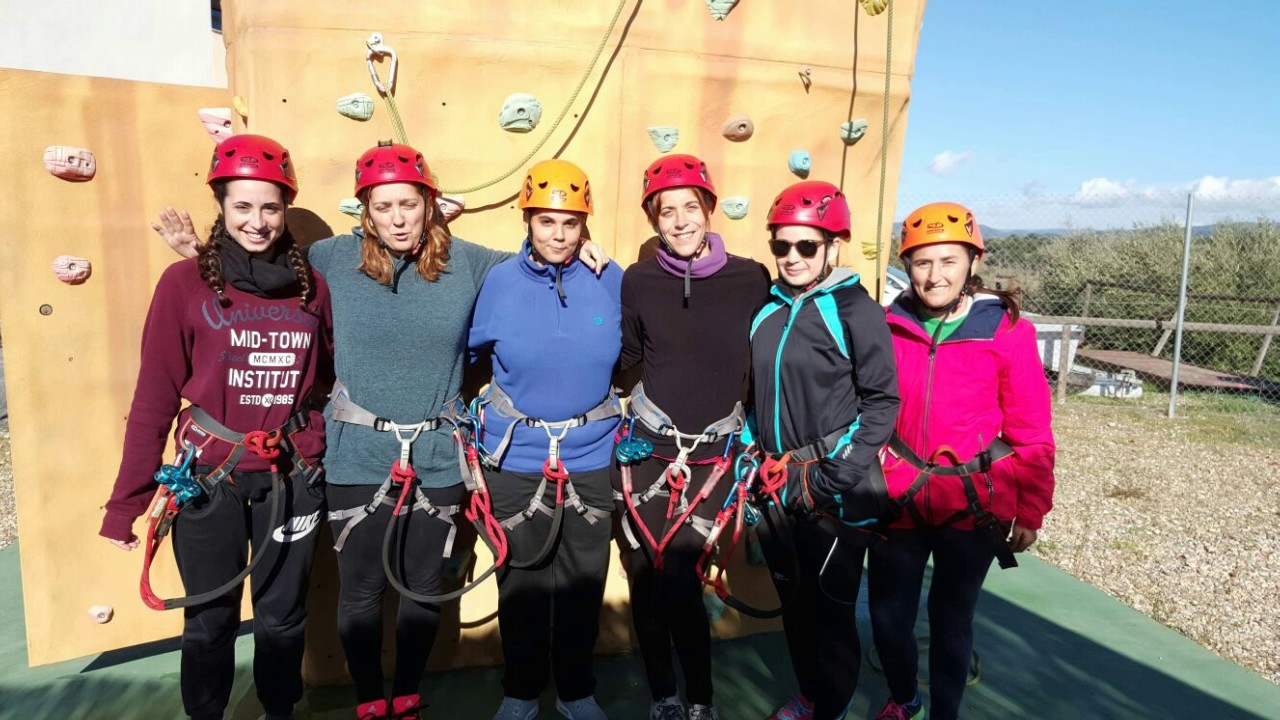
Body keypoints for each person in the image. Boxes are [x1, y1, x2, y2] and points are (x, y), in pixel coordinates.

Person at [156, 141, 611, 720]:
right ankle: (371, 699)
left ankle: (409, 696)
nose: (398, 219)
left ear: (429, 204)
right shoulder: (327, 260)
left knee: (423, 588)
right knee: (361, 590)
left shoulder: (469, 263)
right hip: (356, 453)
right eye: (384, 206)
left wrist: (582, 248)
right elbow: (259, 272)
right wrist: (200, 255)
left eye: (409, 205)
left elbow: (536, 262)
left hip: (438, 455)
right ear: (365, 210)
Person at [101, 133, 332, 720]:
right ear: (221, 206)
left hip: (289, 476)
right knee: (209, 619)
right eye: (243, 206)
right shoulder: (183, 285)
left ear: (286, 208)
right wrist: (127, 503)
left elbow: (329, 375)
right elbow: (154, 397)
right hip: (210, 479)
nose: (258, 221)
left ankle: (280, 710)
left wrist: (313, 446)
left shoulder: (313, 287)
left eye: (270, 207)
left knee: (283, 616)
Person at [867, 202, 1055, 720]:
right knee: (888, 618)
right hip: (898, 499)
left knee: (952, 622)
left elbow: (1032, 432)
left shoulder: (1006, 331)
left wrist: (1031, 510)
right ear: (907, 267)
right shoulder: (888, 326)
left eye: (949, 261)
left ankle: (944, 713)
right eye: (922, 262)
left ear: (973, 262)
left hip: (971, 506)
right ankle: (904, 699)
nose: (935, 275)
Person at [612, 154, 771, 720]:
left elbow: (768, 359)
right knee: (644, 574)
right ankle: (664, 696)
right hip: (647, 447)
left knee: (678, 574)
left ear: (709, 209)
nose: (680, 221)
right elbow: (628, 356)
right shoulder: (639, 280)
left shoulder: (751, 279)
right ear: (653, 219)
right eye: (666, 211)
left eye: (690, 208)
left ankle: (700, 698)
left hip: (713, 455)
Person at [468, 159, 623, 720]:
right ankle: (522, 691)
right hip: (517, 458)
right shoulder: (499, 282)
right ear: (528, 220)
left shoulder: (610, 279)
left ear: (585, 225)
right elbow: (470, 356)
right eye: (546, 221)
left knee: (584, 584)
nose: (558, 235)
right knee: (522, 584)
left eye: (570, 223)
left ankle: (577, 691)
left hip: (591, 455)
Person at [747, 180, 900, 720]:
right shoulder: (767, 310)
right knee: (793, 602)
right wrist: (750, 455)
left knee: (831, 613)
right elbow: (755, 395)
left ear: (833, 246)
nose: (792, 257)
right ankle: (810, 696)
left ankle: (829, 708)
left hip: (832, 490)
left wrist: (828, 479)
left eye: (806, 245)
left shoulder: (855, 310)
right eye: (781, 245)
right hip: (774, 483)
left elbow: (882, 402)